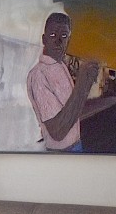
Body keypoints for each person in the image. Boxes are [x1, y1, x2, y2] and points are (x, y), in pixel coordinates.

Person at [26, 12, 100, 152]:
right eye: (53, 35)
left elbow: (71, 110)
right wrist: (82, 85)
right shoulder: (38, 75)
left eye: (64, 36)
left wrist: (86, 84)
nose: (59, 41)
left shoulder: (60, 66)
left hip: (76, 146)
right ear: (44, 39)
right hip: (60, 153)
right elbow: (57, 132)